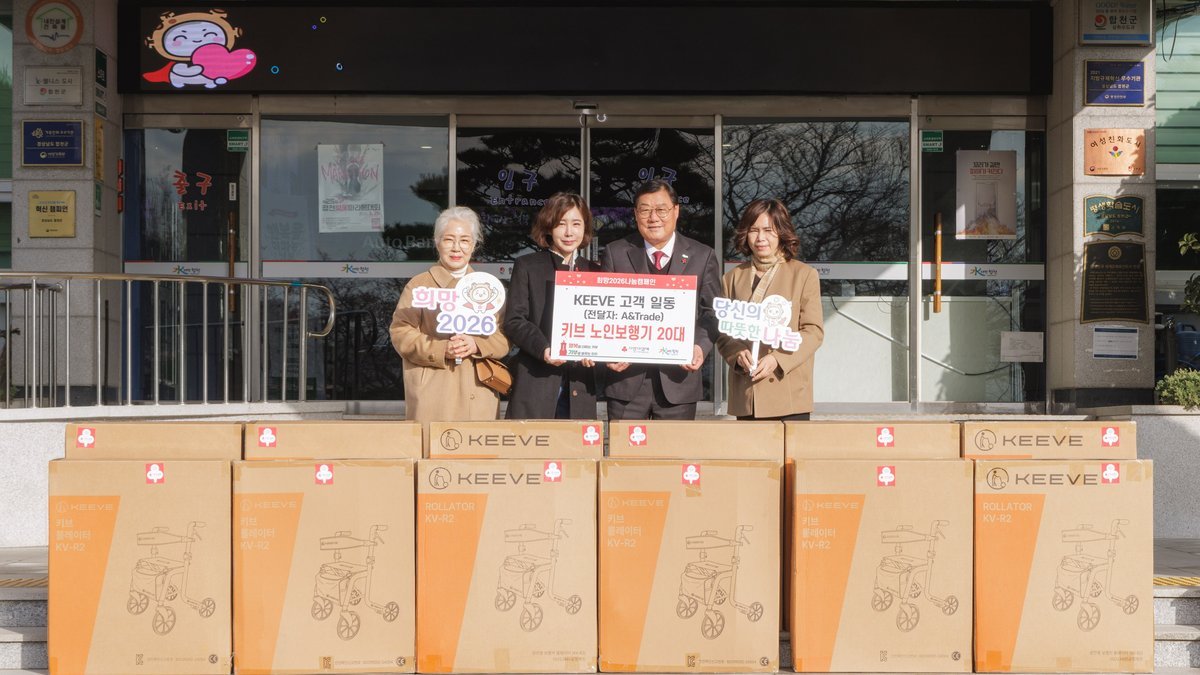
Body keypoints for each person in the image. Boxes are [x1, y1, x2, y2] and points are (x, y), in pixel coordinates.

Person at [600, 179, 721, 420]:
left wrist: (699, 346)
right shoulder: (616, 252)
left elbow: (712, 311)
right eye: (645, 210)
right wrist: (607, 351)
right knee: (623, 445)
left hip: (678, 381)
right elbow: (603, 311)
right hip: (626, 380)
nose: (653, 217)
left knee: (673, 446)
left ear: (676, 211)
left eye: (661, 209)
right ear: (636, 214)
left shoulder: (702, 255)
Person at [389, 206, 510, 429]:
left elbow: (503, 336)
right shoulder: (419, 285)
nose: (456, 248)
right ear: (437, 242)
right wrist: (440, 349)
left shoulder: (488, 288)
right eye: (449, 239)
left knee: (476, 447)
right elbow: (401, 332)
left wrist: (477, 344)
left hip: (477, 388)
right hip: (433, 387)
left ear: (474, 245)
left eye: (464, 240)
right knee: (433, 447)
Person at [717, 199, 824, 420]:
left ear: (782, 232)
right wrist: (737, 353)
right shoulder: (731, 278)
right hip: (747, 393)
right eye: (753, 230)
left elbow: (813, 332)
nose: (760, 238)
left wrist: (777, 359)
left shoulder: (803, 275)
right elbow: (723, 332)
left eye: (768, 230)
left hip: (788, 390)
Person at [505, 193, 601, 419]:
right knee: (533, 441)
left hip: (580, 382)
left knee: (577, 441)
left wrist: (596, 349)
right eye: (561, 224)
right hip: (537, 379)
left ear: (585, 228)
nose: (569, 232)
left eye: (576, 224)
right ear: (549, 227)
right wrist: (544, 349)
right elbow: (514, 320)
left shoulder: (595, 271)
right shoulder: (528, 265)